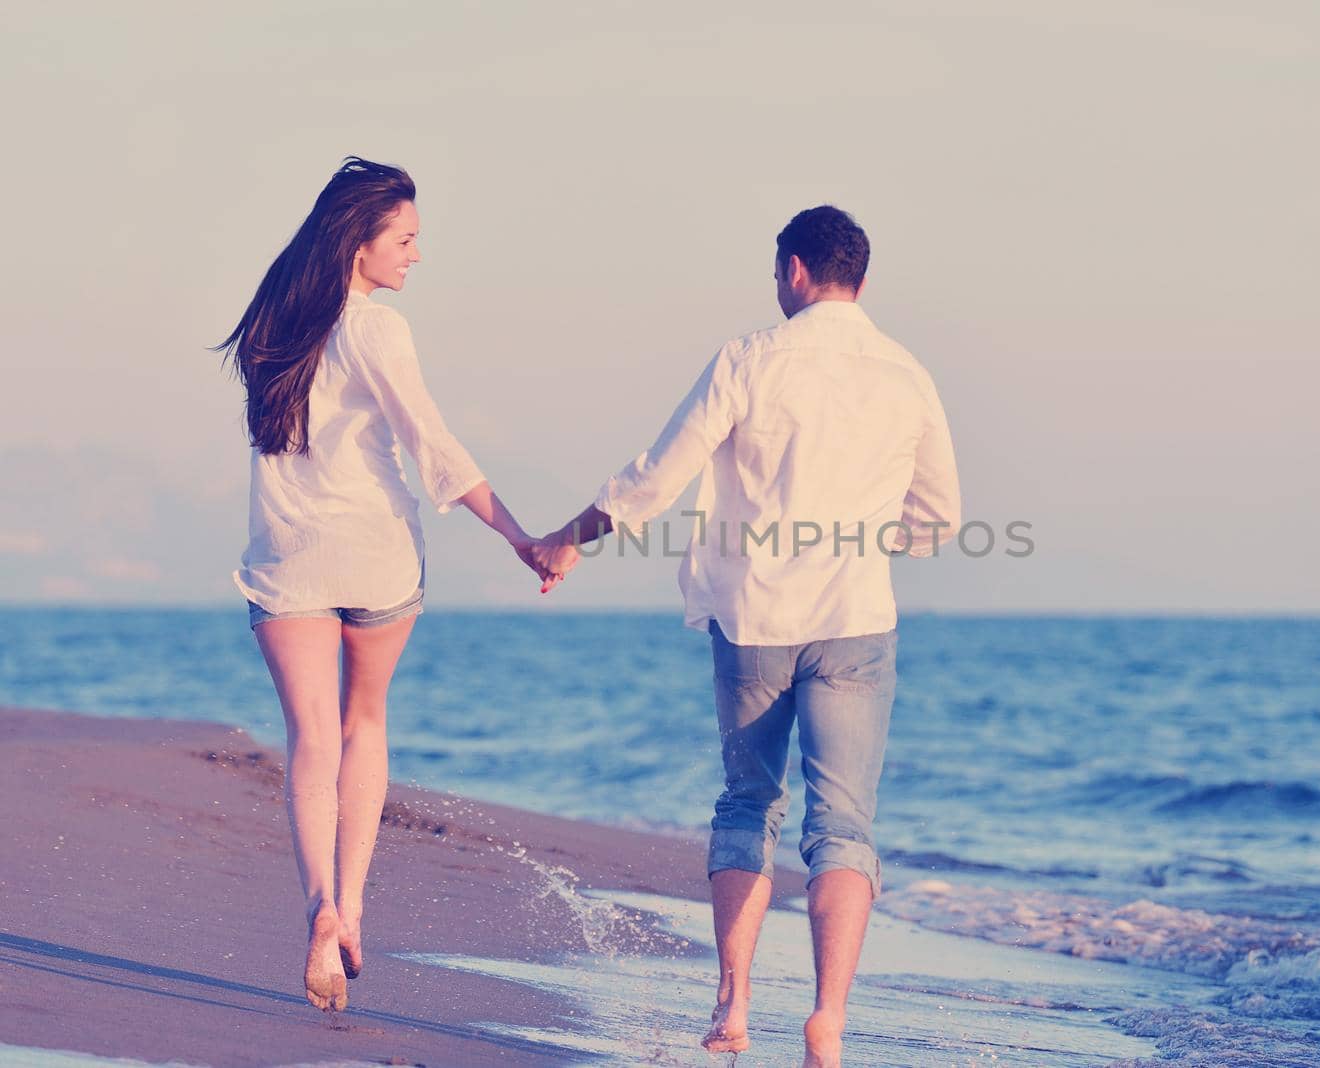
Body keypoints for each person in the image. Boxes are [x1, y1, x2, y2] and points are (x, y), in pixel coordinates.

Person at [527, 205, 960, 1067]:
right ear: (861, 282)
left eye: (776, 271)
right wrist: (868, 540)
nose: (774, 285)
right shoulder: (907, 373)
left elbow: (656, 476)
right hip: (856, 620)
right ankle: (828, 1021)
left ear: (797, 270)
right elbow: (941, 516)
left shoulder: (750, 360)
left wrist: (568, 538)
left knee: (747, 804)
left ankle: (732, 1000)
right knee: (845, 826)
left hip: (756, 617)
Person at [217, 158, 546, 1013]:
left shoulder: (270, 322)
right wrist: (516, 535)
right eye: (404, 239)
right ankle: (352, 904)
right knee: (365, 723)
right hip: (374, 554)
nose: (415, 255)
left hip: (289, 554)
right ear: (358, 244)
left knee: (310, 740)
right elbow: (430, 442)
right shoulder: (377, 329)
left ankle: (320, 907)